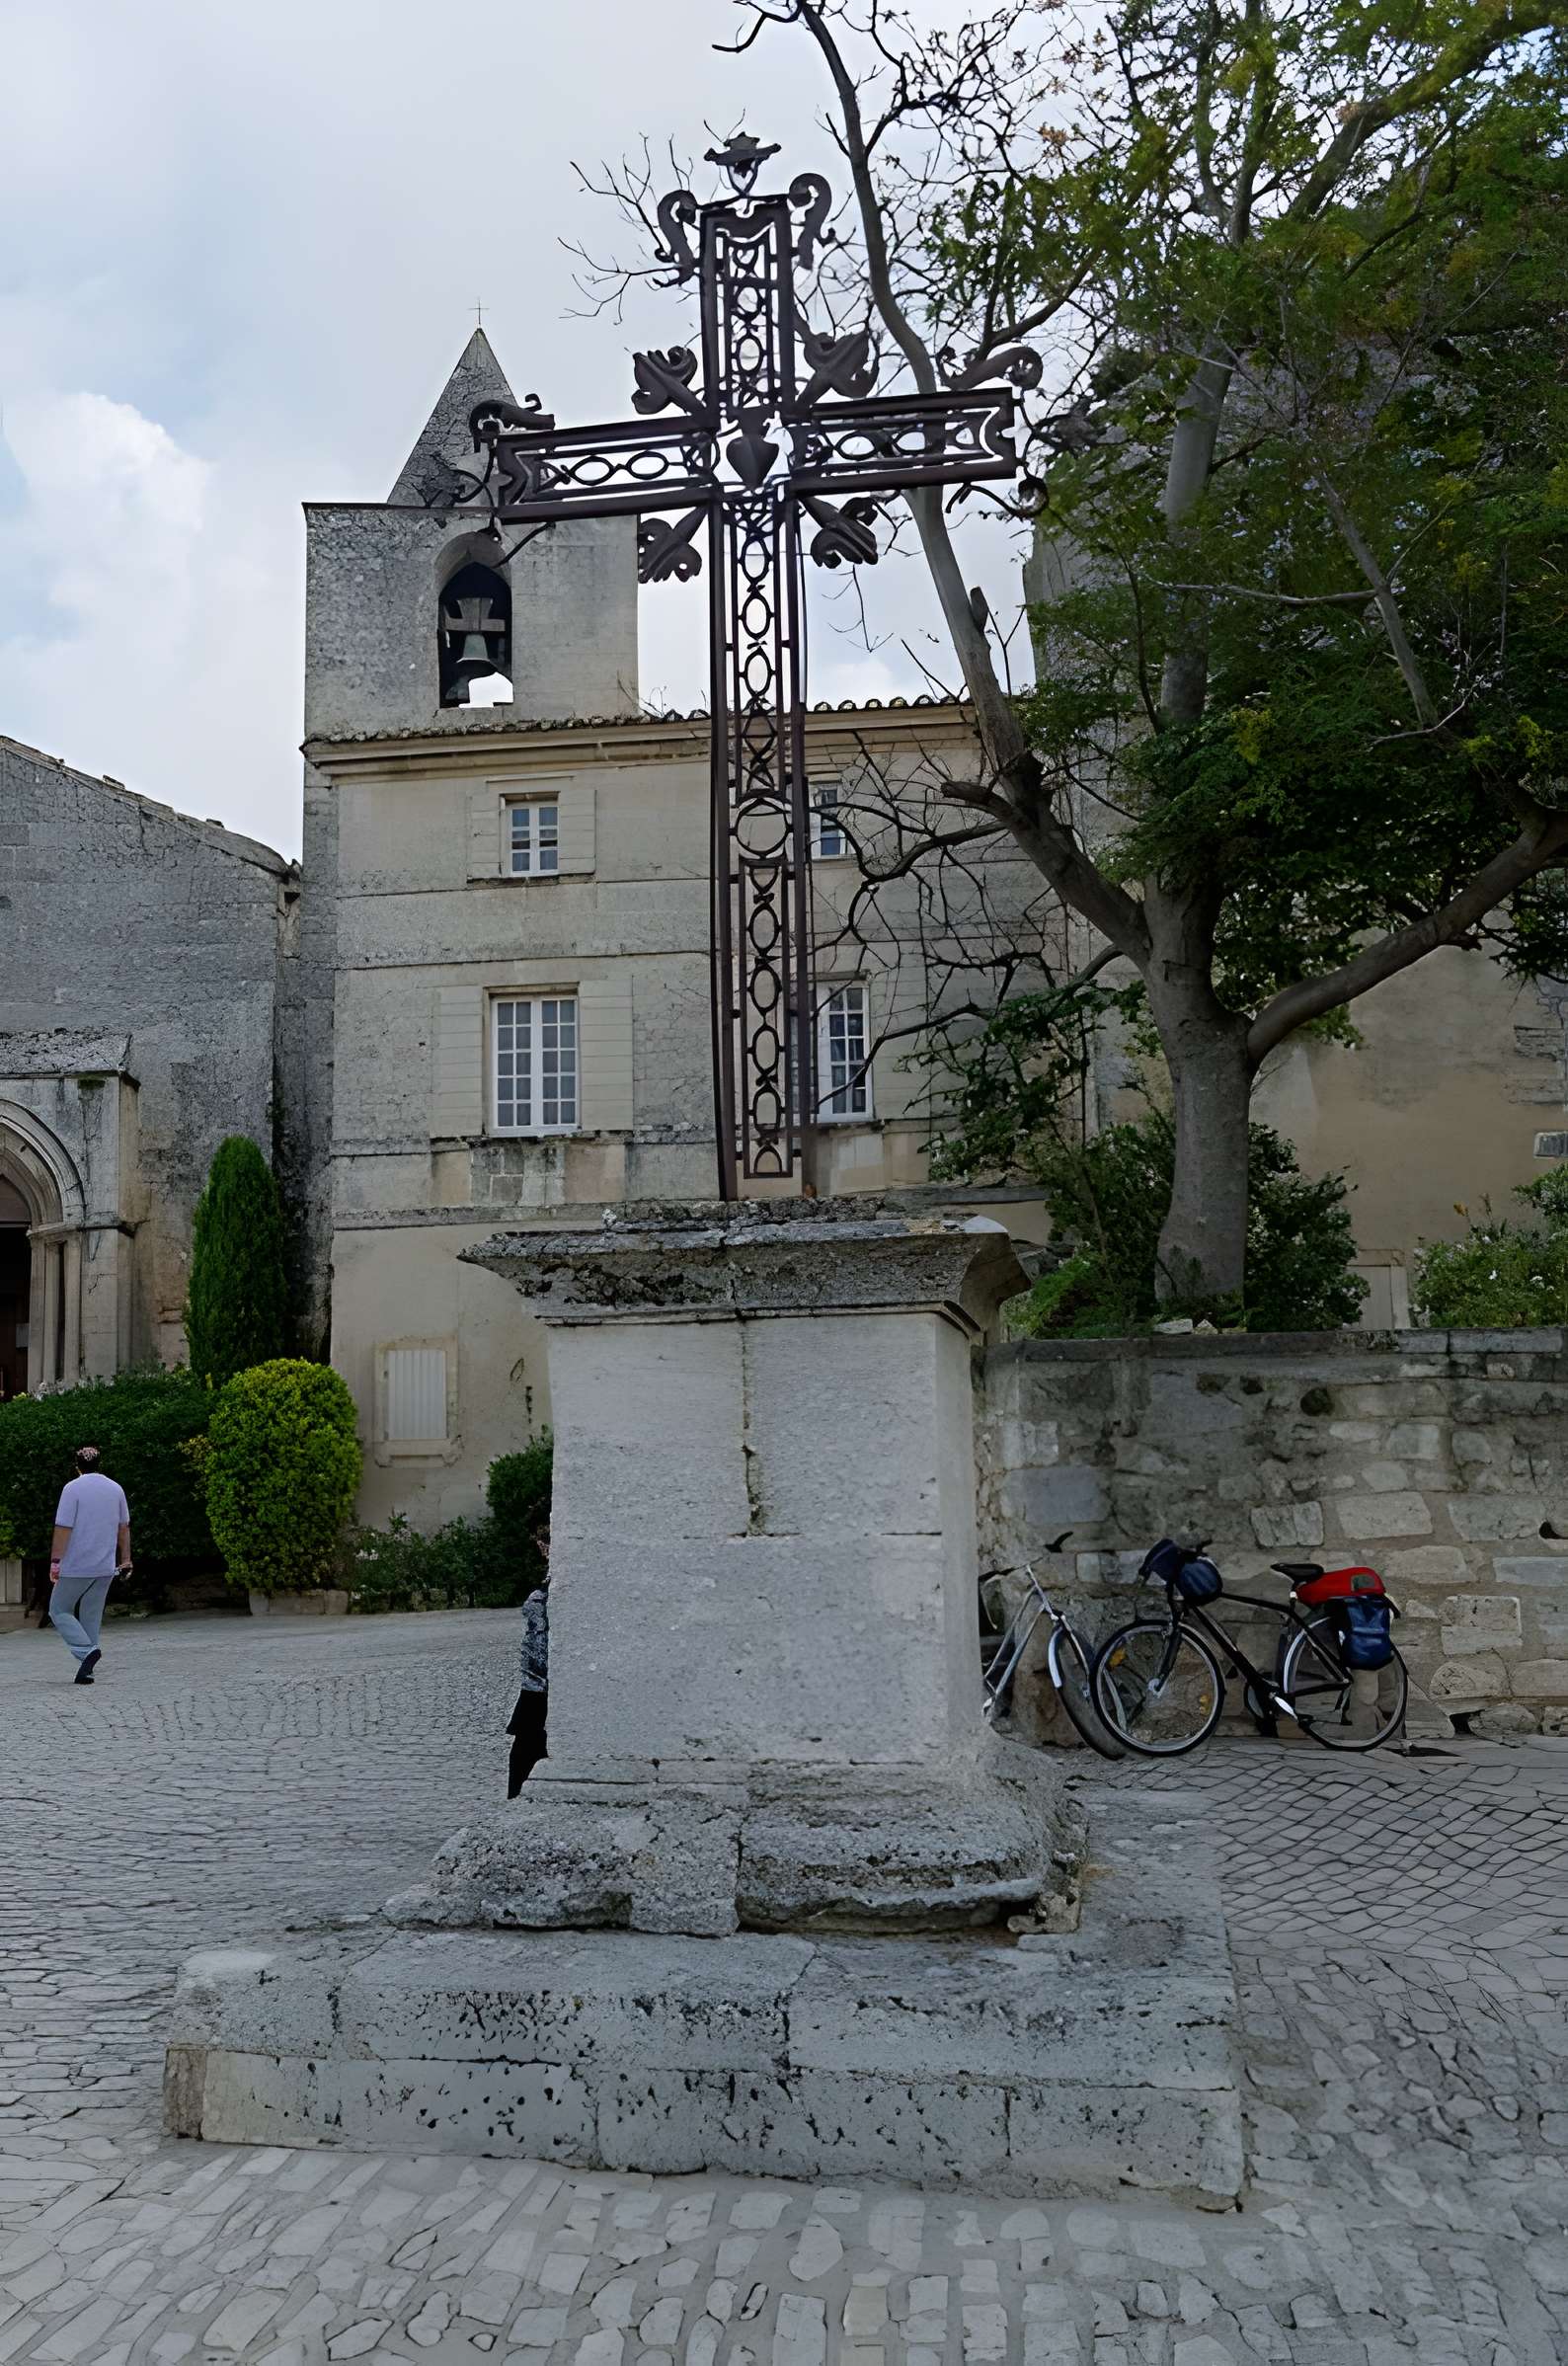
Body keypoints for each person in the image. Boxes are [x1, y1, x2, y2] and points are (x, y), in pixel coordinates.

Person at [48, 1445, 131, 1686]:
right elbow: (123, 1527)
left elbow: (63, 1528)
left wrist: (55, 1561)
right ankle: (87, 1670)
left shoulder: (72, 1489)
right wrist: (126, 1559)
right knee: (90, 1616)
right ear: (99, 1464)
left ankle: (86, 1652)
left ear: (77, 1466)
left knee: (59, 1609)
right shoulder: (115, 1488)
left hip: (76, 1565)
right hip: (105, 1566)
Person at [506, 1514, 550, 1796]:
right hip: (537, 1682)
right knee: (524, 1753)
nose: (540, 1547)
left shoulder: (554, 1587)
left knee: (526, 1754)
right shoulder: (551, 1582)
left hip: (542, 1683)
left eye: (542, 1540)